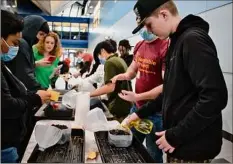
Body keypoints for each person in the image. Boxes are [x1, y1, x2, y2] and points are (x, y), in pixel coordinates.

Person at [122, 0, 228, 163]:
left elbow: (215, 96)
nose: (149, 31)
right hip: (180, 142)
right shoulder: (176, 42)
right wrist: (139, 113)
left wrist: (175, 136)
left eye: (149, 25)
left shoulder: (193, 40)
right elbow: (170, 92)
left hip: (192, 146)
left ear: (164, 14)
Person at [1, 10, 51, 163]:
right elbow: (6, 105)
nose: (12, 48)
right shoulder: (23, 46)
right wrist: (35, 97)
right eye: (14, 42)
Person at [112, 28, 168, 162]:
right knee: (130, 144)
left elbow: (167, 85)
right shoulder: (140, 45)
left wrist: (138, 96)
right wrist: (121, 76)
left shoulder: (165, 47)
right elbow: (131, 72)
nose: (143, 28)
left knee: (152, 153)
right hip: (138, 108)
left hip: (155, 112)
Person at [90, 40, 133, 122]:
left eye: (99, 54)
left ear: (102, 50)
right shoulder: (119, 59)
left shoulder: (110, 62)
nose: (100, 57)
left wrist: (90, 94)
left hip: (118, 104)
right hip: (126, 102)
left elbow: (110, 87)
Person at [5, 15, 50, 92]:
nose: (41, 39)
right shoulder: (22, 44)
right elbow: (24, 75)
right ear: (31, 30)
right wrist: (40, 90)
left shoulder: (27, 45)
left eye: (44, 36)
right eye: (41, 34)